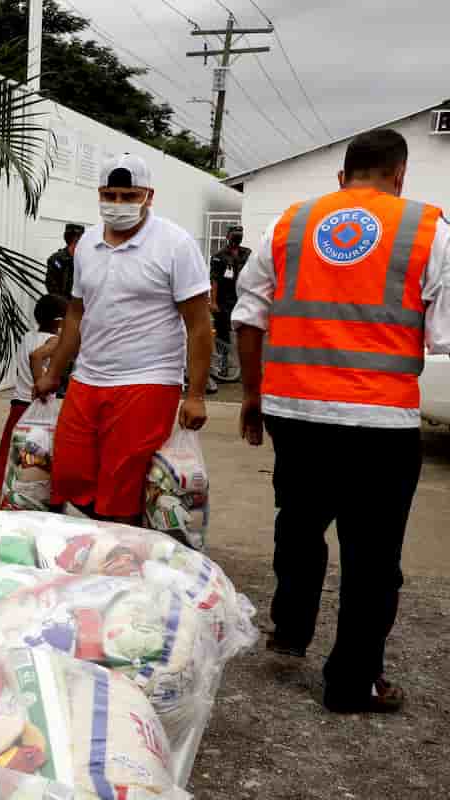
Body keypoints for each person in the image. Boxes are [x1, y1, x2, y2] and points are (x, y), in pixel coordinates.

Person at [234, 128, 449, 714]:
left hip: (295, 412)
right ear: (400, 176)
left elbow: (248, 314)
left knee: (299, 523)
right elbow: (446, 337)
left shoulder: (289, 225)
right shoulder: (428, 230)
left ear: (342, 177)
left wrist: (252, 397)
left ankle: (292, 631)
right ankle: (352, 683)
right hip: (381, 422)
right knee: (372, 556)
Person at [34, 153, 213, 526]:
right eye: (110, 195)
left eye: (129, 196)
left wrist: (194, 395)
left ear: (149, 196)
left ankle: (122, 560)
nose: (118, 204)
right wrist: (55, 372)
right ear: (99, 193)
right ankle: (105, 539)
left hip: (147, 381)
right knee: (70, 474)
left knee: (122, 488)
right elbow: (76, 314)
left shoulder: (175, 244)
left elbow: (198, 325)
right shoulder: (87, 244)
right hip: (88, 378)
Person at [0, 294, 68, 510]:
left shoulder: (28, 336)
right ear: (59, 321)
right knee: (37, 465)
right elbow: (37, 357)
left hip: (18, 405)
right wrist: (40, 384)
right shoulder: (53, 340)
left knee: (8, 461)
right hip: (36, 410)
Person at [210, 225, 251, 375]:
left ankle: (244, 369)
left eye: (240, 234)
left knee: (245, 333)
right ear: (228, 236)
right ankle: (223, 366)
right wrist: (213, 302)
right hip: (223, 300)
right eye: (235, 234)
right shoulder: (219, 256)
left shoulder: (246, 253)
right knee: (223, 334)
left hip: (242, 299)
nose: (238, 237)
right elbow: (214, 280)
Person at [46, 223, 85, 296]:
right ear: (75, 240)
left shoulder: (85, 260)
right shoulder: (57, 260)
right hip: (61, 303)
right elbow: (51, 286)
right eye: (81, 238)